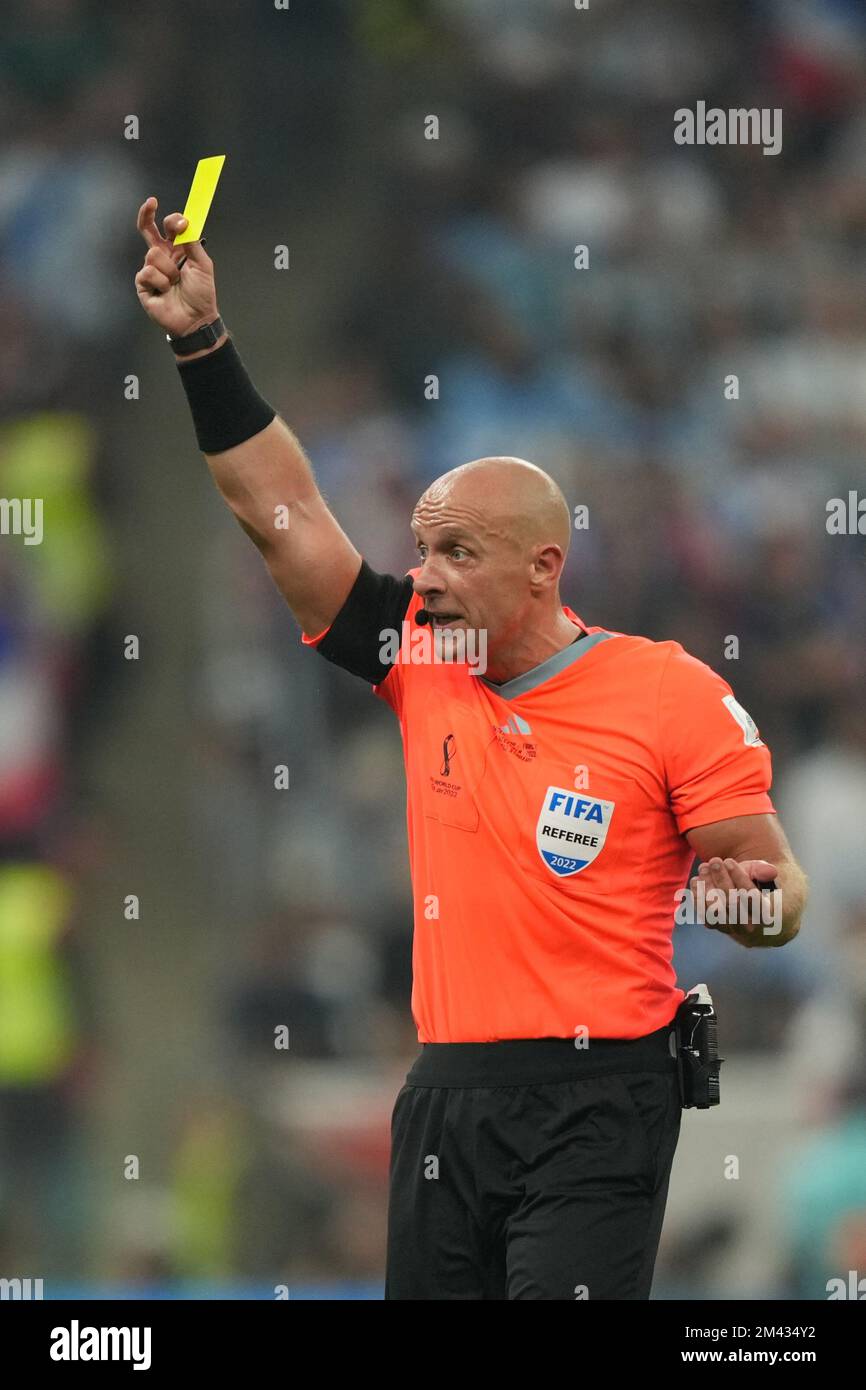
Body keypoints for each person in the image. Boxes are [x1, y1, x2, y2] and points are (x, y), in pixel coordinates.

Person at [134, 198, 810, 1300]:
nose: (429, 574)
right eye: (420, 548)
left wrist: (742, 902)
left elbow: (774, 895)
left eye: (457, 551)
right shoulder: (418, 655)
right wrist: (199, 341)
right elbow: (279, 512)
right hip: (447, 1095)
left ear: (542, 566)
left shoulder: (666, 691)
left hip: (603, 1096)